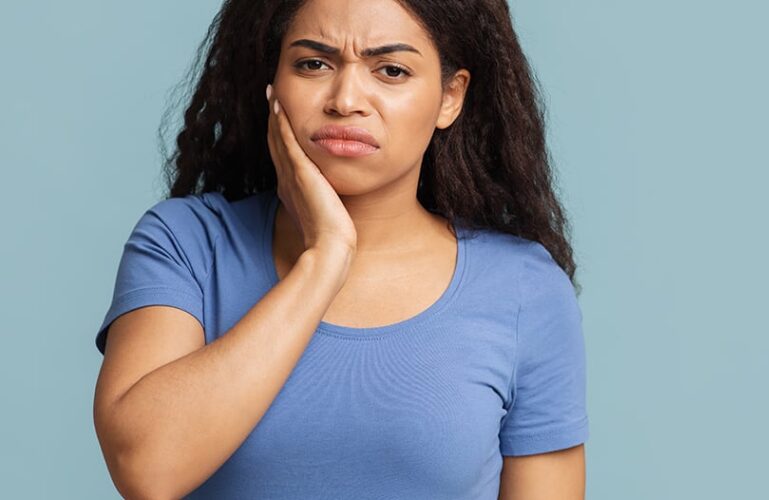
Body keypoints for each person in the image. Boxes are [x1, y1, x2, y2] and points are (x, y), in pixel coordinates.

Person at [90, 0, 588, 498]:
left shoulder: (524, 287)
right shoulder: (187, 244)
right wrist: (325, 258)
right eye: (313, 64)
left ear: (449, 98)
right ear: (274, 85)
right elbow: (146, 470)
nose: (346, 99)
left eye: (391, 70)